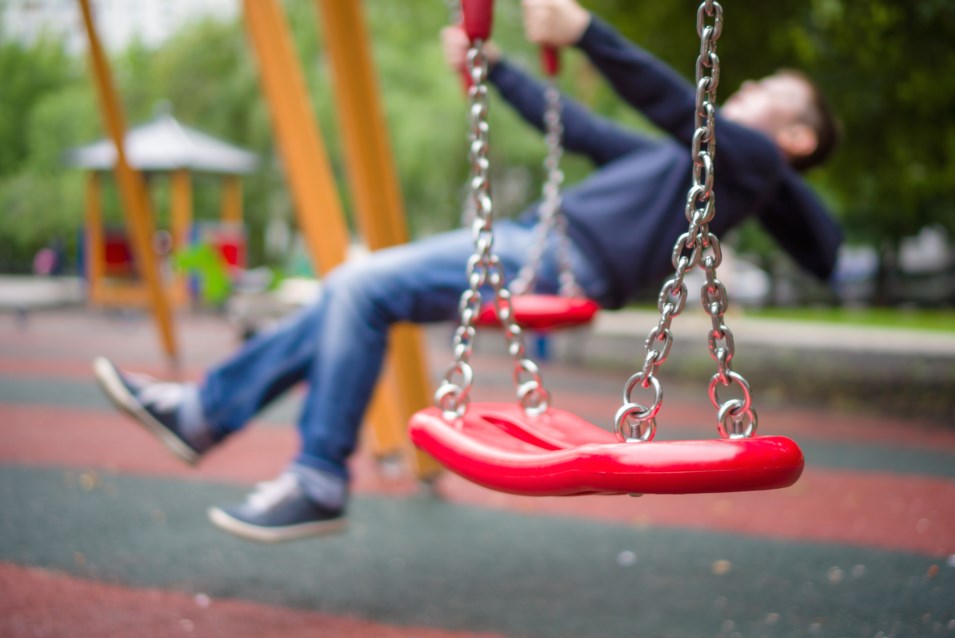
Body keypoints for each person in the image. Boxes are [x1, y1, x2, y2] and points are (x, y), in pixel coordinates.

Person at [93, 0, 842, 543]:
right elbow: (581, 130)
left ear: (797, 137)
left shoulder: (752, 166)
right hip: (533, 240)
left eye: (762, 94)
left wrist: (588, 35)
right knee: (348, 296)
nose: (739, 94)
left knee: (360, 286)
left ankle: (313, 474)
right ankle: (204, 417)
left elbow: (685, 107)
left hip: (556, 261)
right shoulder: (681, 161)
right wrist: (499, 69)